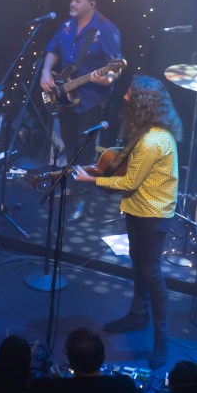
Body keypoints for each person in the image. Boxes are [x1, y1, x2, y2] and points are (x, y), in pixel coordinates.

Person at [73, 75, 181, 369]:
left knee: (152, 271)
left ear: (142, 102)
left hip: (152, 214)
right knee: (138, 263)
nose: (124, 97)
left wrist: (90, 178)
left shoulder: (152, 139)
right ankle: (137, 314)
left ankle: (161, 338)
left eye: (130, 94)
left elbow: (130, 181)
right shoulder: (147, 132)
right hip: (138, 208)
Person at [41, 0, 123, 221]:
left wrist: (104, 80)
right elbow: (53, 49)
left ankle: (83, 201)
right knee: (68, 144)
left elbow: (114, 70)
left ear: (92, 4)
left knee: (83, 152)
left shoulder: (107, 30)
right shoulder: (67, 26)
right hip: (65, 96)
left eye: (78, 1)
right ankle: (72, 188)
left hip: (91, 101)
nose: (72, 4)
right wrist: (47, 71)